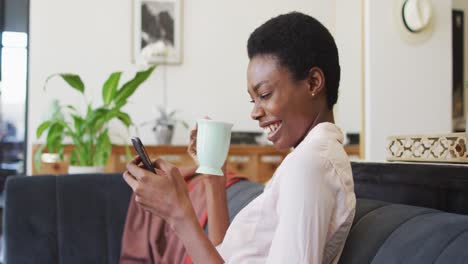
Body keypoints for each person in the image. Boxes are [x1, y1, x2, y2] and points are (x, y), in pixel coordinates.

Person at [123, 11, 356, 263]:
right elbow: (224, 253)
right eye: (252, 99)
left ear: (313, 82)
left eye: (264, 94)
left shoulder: (310, 164)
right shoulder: (305, 160)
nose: (254, 112)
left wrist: (178, 214)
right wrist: (214, 174)